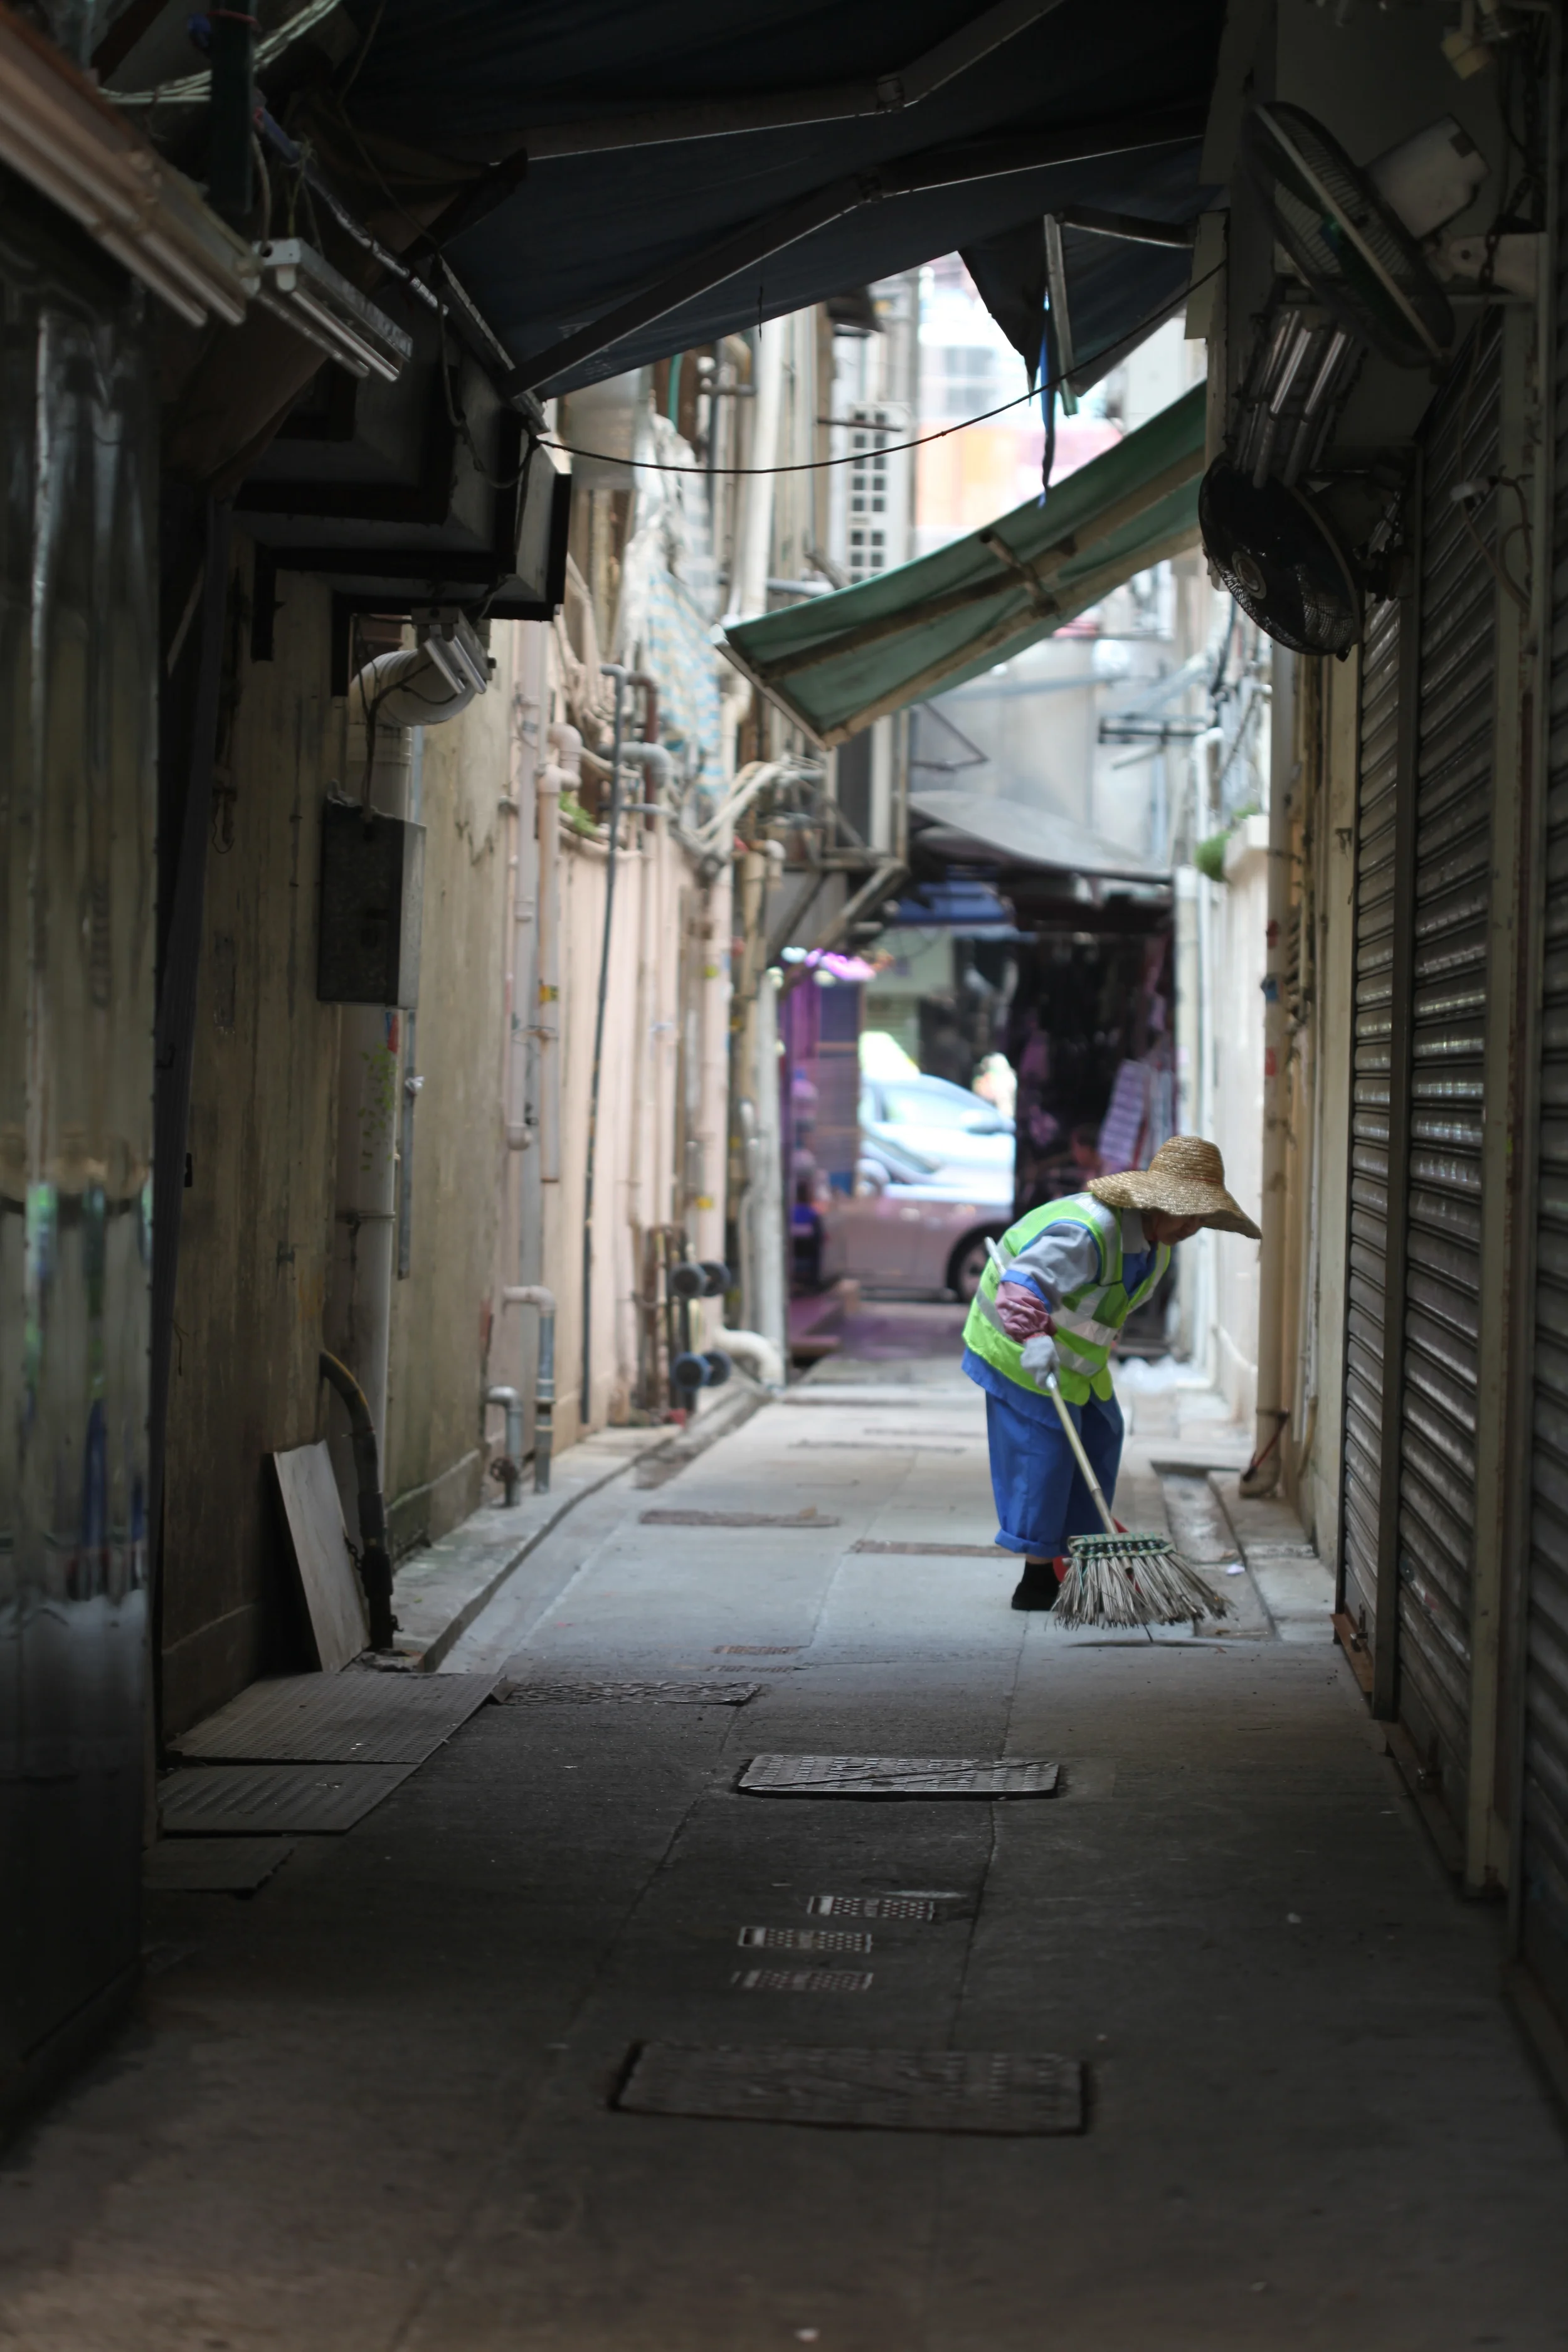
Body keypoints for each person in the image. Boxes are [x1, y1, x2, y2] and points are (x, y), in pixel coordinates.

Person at [960, 1135, 1261, 1609]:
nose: (1194, 1226)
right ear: (1156, 1202)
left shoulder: (1156, 1247)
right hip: (1016, 1345)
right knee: (1048, 1449)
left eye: (1203, 1216)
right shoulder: (1089, 1233)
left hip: (1077, 1360)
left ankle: (1081, 1552)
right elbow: (1020, 1287)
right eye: (1189, 1212)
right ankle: (1036, 1581)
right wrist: (1035, 1340)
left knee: (1103, 1434)